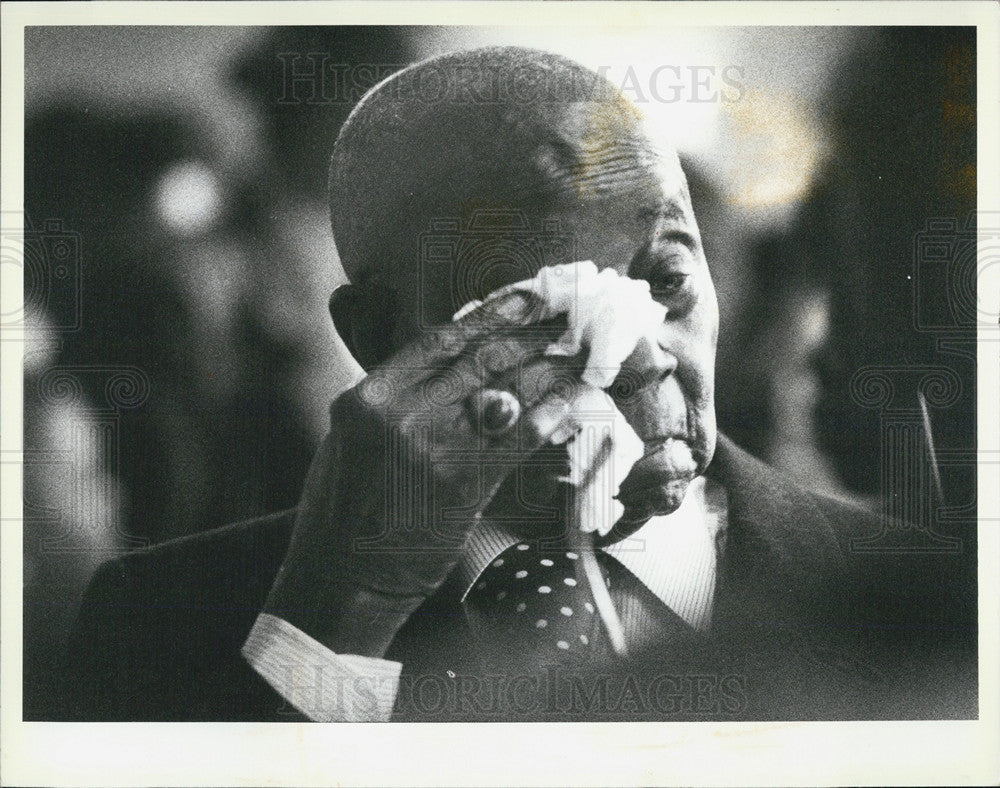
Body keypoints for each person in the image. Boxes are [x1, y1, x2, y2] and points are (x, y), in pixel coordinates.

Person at [58, 46, 975, 723]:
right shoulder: (159, 625)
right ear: (379, 337)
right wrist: (335, 623)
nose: (645, 354)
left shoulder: (930, 595)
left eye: (667, 281)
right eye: (543, 315)